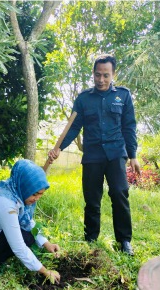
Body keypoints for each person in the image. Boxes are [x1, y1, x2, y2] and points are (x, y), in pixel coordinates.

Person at [53, 54, 140, 254]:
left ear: (113, 74)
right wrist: (59, 148)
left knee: (120, 193)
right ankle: (90, 239)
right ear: (93, 73)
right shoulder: (84, 99)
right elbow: (73, 127)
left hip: (116, 153)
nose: (101, 79)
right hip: (92, 155)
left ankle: (124, 241)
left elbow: (129, 127)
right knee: (92, 199)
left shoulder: (123, 96)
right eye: (98, 75)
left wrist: (133, 155)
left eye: (106, 75)